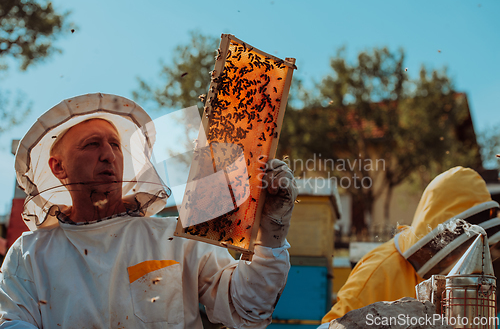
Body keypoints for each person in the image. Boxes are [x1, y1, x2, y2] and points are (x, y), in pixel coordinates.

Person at [0, 93, 298, 328]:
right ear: (58, 167)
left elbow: (246, 309)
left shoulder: (173, 238)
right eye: (92, 145)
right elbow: (13, 324)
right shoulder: (30, 255)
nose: (108, 155)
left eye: (115, 145)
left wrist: (271, 233)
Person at [318, 166, 500, 328]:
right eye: (461, 249)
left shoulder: (465, 285)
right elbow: (330, 326)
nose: (462, 258)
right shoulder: (379, 270)